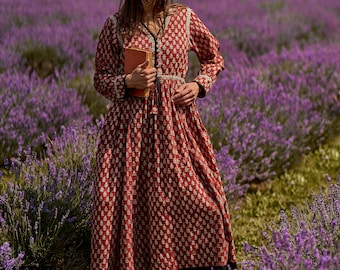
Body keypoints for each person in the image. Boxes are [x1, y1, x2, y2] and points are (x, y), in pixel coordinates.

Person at [91, 0, 238, 269]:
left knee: (203, 201)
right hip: (129, 129)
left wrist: (198, 85)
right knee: (126, 202)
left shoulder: (185, 18)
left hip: (176, 124)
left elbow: (213, 57)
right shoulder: (116, 25)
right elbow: (100, 77)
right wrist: (127, 82)